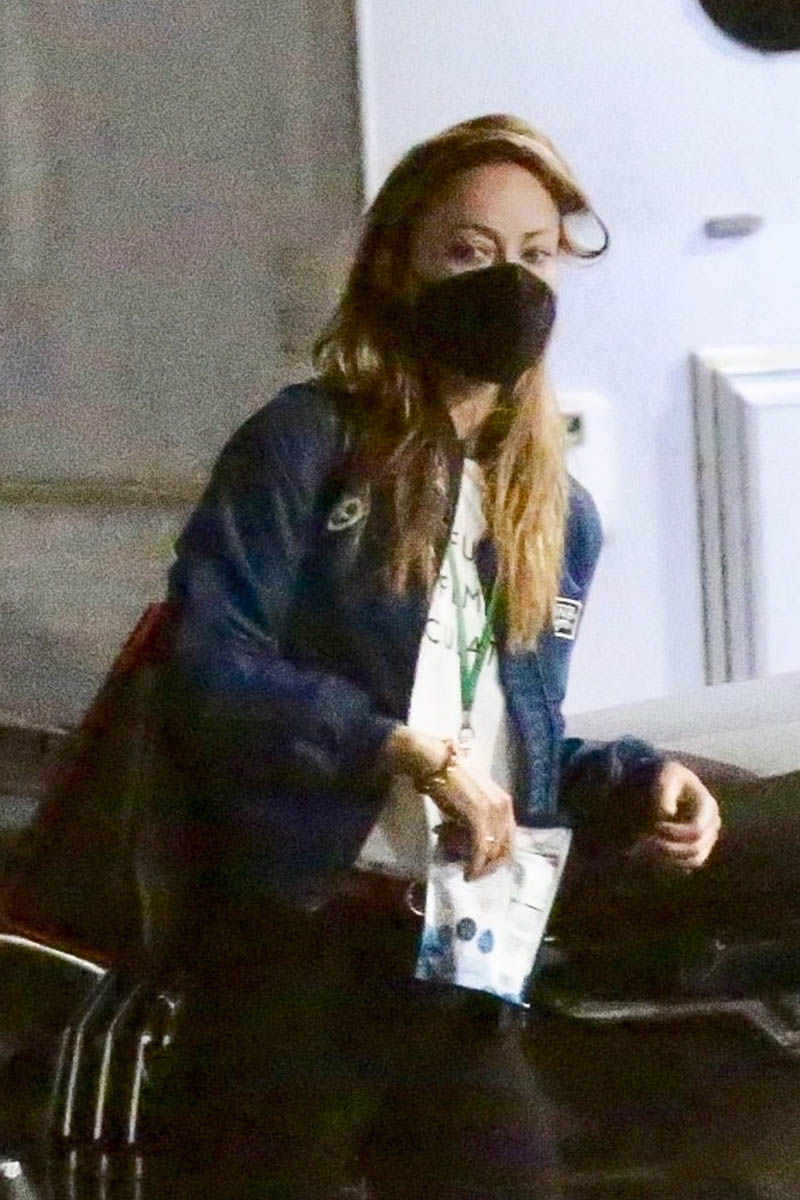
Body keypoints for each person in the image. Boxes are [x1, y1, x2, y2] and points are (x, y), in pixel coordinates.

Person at [161, 114, 721, 1199]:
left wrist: (641, 784)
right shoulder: (308, 444)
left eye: (534, 255)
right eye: (469, 251)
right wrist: (395, 749)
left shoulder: (553, 511)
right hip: (300, 943)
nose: (509, 283)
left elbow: (515, 743)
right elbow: (211, 666)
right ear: (398, 269)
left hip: (460, 958)